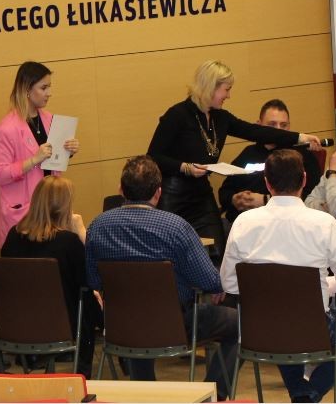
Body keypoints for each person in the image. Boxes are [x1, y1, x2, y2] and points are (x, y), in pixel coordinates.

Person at [220, 150, 336, 403]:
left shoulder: (243, 222)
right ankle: (307, 396)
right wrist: (324, 285)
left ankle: (302, 394)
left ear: (267, 183)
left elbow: (230, 284)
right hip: (310, 329)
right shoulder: (324, 223)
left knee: (280, 322)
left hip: (257, 331)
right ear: (304, 180)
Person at [85, 155, 237, 398]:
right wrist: (215, 286)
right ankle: (213, 394)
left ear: (121, 189)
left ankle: (146, 394)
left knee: (136, 314)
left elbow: (93, 280)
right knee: (241, 324)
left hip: (121, 326)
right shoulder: (177, 227)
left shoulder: (97, 227)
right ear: (158, 193)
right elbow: (209, 280)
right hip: (175, 326)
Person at [147, 60, 322, 251]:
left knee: (217, 249)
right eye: (226, 89)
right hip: (174, 196)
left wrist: (299, 137)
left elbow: (256, 131)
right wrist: (185, 167)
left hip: (201, 195)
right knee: (171, 251)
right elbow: (153, 156)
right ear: (211, 87)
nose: (228, 96)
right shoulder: (177, 115)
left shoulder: (220, 117)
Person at [0, 176, 98, 378]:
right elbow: (92, 276)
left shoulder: (12, 236)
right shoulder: (68, 241)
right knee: (90, 299)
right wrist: (81, 231)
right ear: (65, 207)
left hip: (17, 324)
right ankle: (84, 374)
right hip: (62, 325)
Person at [0, 61, 79, 248]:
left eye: (49, 87)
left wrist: (68, 151)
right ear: (27, 90)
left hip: (51, 209)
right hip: (24, 213)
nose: (49, 93)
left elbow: (51, 162)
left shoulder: (49, 119)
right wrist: (33, 160)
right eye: (43, 88)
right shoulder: (7, 128)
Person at [218, 99, 323, 224]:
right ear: (258, 125)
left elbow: (313, 195)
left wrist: (266, 200)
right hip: (243, 221)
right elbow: (225, 191)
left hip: (285, 223)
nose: (278, 131)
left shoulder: (300, 156)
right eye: (272, 125)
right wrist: (234, 199)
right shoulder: (248, 153)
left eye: (283, 125)